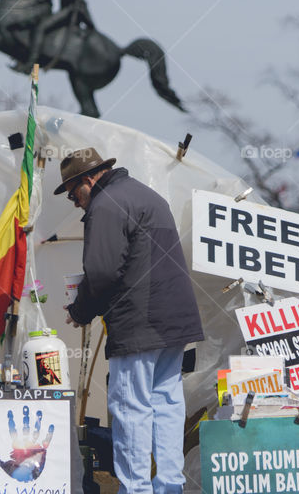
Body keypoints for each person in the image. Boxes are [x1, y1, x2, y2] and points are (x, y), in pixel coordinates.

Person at [56, 147, 203, 494]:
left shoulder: (105, 206)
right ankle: (170, 486)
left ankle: (135, 489)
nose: (75, 203)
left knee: (130, 407)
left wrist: (80, 310)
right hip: (174, 320)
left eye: (74, 194)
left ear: (89, 179)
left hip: (140, 323)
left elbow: (103, 272)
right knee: (166, 402)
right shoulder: (145, 195)